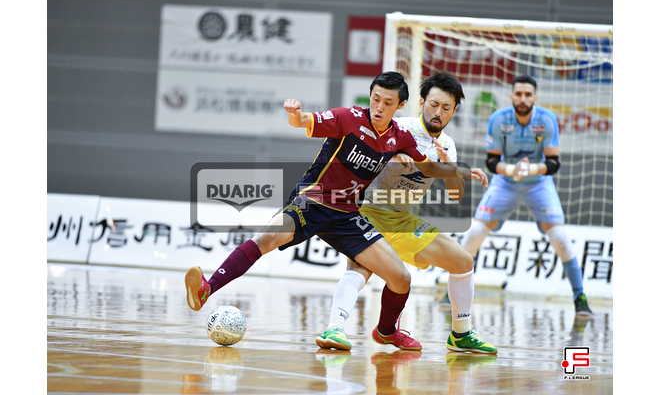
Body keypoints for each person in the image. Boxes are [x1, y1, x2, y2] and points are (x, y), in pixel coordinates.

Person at [185, 71, 488, 350]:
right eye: (375, 99)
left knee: (401, 278)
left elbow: (429, 167)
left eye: (387, 103)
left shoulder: (399, 137)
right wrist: (295, 114)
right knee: (266, 238)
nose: (379, 107)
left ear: (399, 105)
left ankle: (387, 331)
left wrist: (460, 170)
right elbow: (305, 121)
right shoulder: (348, 117)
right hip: (313, 201)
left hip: (348, 213)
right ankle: (207, 289)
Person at [315, 72, 497, 354]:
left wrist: (449, 167)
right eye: (433, 104)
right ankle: (335, 328)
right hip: (367, 211)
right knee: (360, 269)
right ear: (422, 102)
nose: (438, 112)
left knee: (462, 261)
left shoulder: (447, 145)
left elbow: (456, 194)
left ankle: (460, 335)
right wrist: (393, 157)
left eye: (446, 108)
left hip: (402, 219)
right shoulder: (399, 128)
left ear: (454, 111)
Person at [459, 75, 593, 316]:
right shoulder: (498, 119)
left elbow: (553, 163)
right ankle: (452, 293)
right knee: (475, 233)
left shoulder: (547, 119)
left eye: (528, 95)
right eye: (518, 94)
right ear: (511, 96)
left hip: (538, 183)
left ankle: (580, 297)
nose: (523, 99)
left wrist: (529, 169)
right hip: (505, 182)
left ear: (535, 98)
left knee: (560, 239)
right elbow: (491, 161)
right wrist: (513, 170)